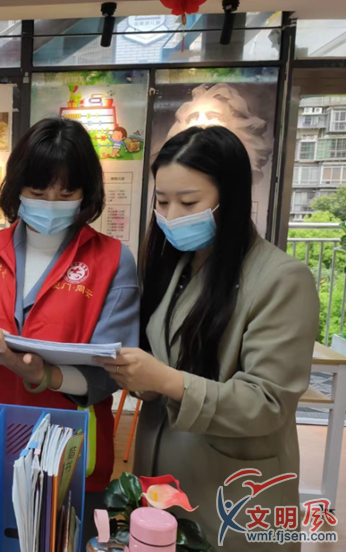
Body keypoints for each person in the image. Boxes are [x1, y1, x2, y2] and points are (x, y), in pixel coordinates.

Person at [0, 117, 140, 544]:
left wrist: (44, 376)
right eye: (37, 191)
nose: (51, 202)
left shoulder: (112, 260)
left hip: (67, 450)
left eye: (66, 192)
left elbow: (115, 369)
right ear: (16, 189)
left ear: (85, 194)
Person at [98, 126, 318, 552]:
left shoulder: (283, 279)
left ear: (230, 199)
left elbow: (268, 402)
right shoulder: (174, 267)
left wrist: (164, 380)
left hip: (233, 493)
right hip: (162, 485)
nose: (173, 215)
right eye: (162, 202)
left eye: (190, 202)